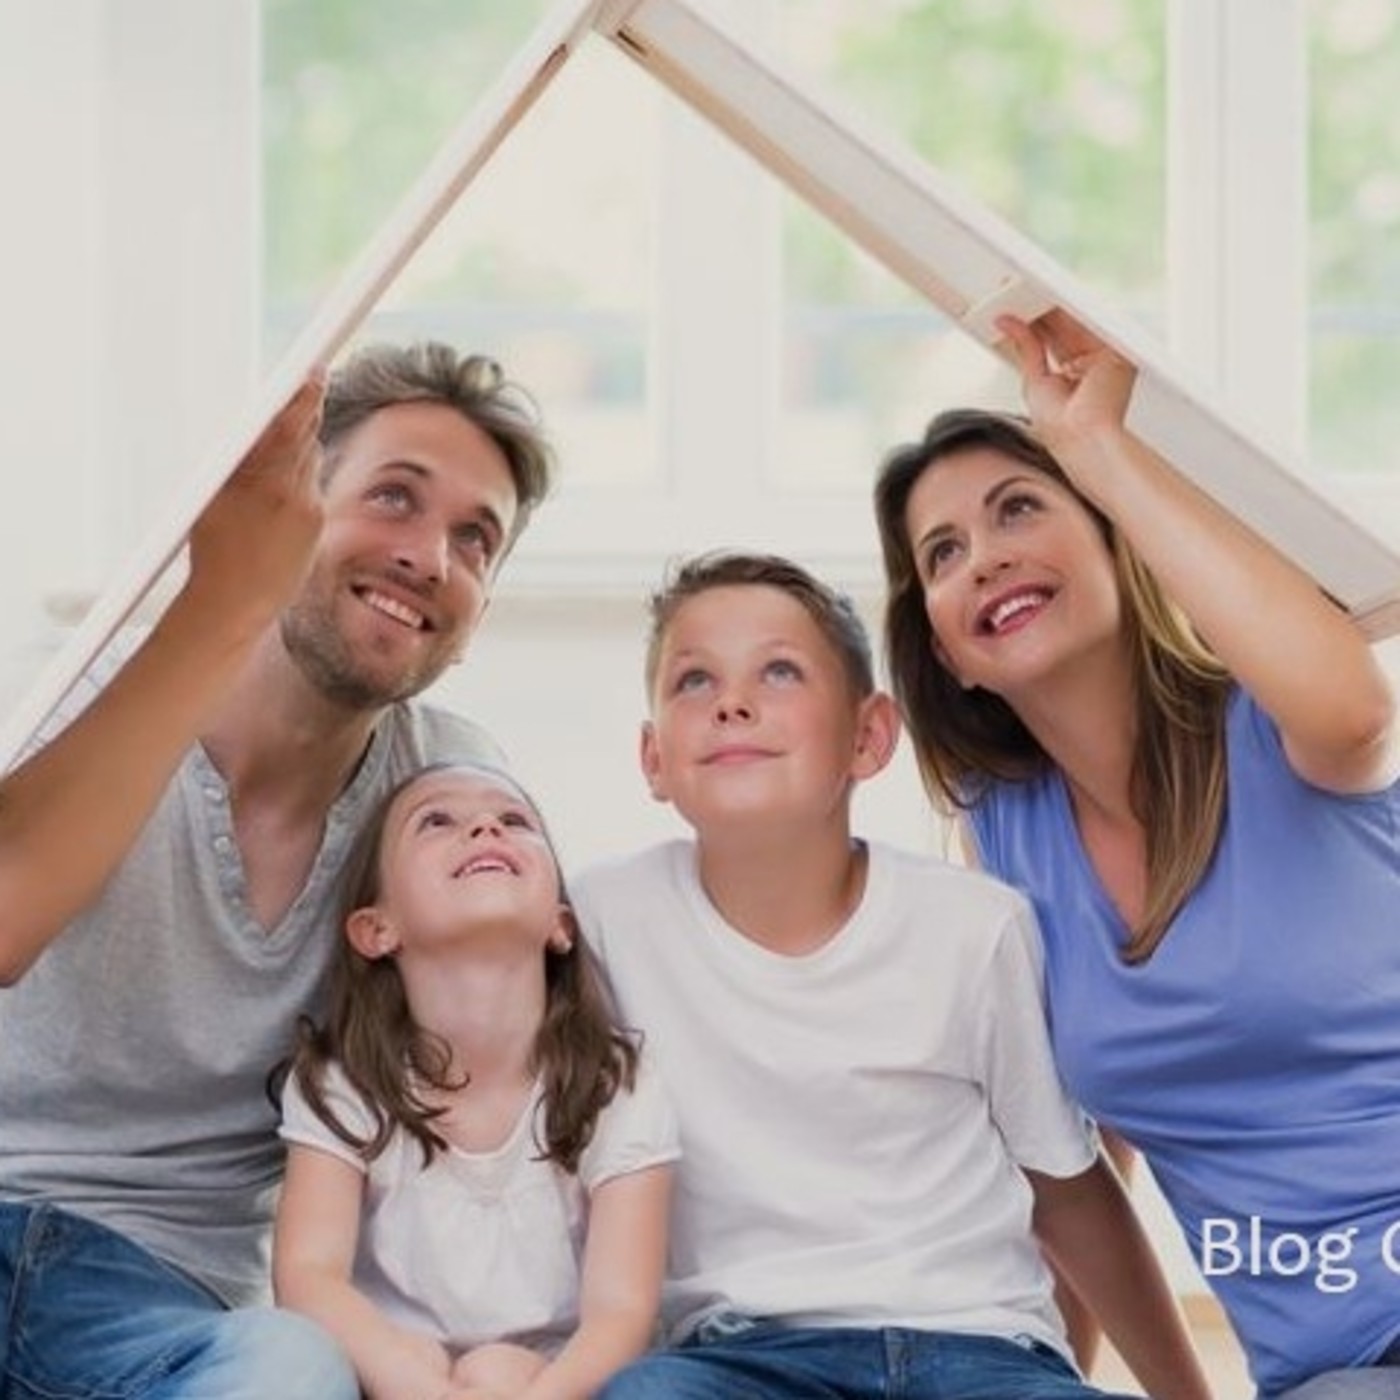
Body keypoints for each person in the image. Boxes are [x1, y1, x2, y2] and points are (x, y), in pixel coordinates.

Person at [0, 342, 553, 1399]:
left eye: (474, 539)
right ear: (294, 510)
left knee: (293, 1363)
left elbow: (518, 1060)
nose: (429, 555)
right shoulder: (58, 691)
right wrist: (226, 593)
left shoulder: (445, 788)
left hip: (163, 1301)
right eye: (393, 496)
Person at [873, 309, 1400, 1400]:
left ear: (1118, 536)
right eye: (944, 551)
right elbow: (1076, 1153)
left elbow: (1356, 710)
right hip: (1332, 1371)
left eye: (1018, 507)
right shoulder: (1004, 829)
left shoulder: (1274, 724)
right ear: (944, 648)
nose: (987, 556)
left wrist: (1096, 446)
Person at [570, 551, 1211, 1400]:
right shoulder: (604, 918)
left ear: (868, 736)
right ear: (654, 758)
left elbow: (1069, 1190)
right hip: (741, 1358)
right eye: (694, 680)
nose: (731, 701)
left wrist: (1188, 1395)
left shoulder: (975, 927)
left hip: (978, 1348)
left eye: (780, 670)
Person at [273, 761, 677, 1400]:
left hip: (563, 1379)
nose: (487, 826)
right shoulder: (344, 1084)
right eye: (437, 821)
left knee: (502, 1370)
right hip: (394, 1375)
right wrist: (425, 1388)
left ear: (561, 926)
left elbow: (620, 1313)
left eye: (514, 821)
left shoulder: (614, 1084)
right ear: (376, 929)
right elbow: (308, 1276)